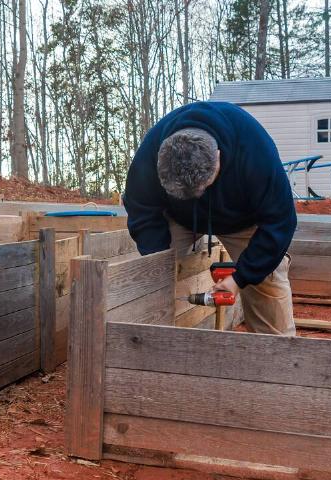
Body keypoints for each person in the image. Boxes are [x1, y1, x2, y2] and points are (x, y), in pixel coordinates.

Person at [124, 101, 297, 336]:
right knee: (153, 275)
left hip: (243, 219)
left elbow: (280, 223)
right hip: (180, 217)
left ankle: (279, 358)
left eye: (204, 187)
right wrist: (157, 261)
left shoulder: (256, 152)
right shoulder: (150, 153)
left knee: (268, 281)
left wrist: (241, 277)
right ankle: (149, 343)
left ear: (218, 157)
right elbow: (142, 210)